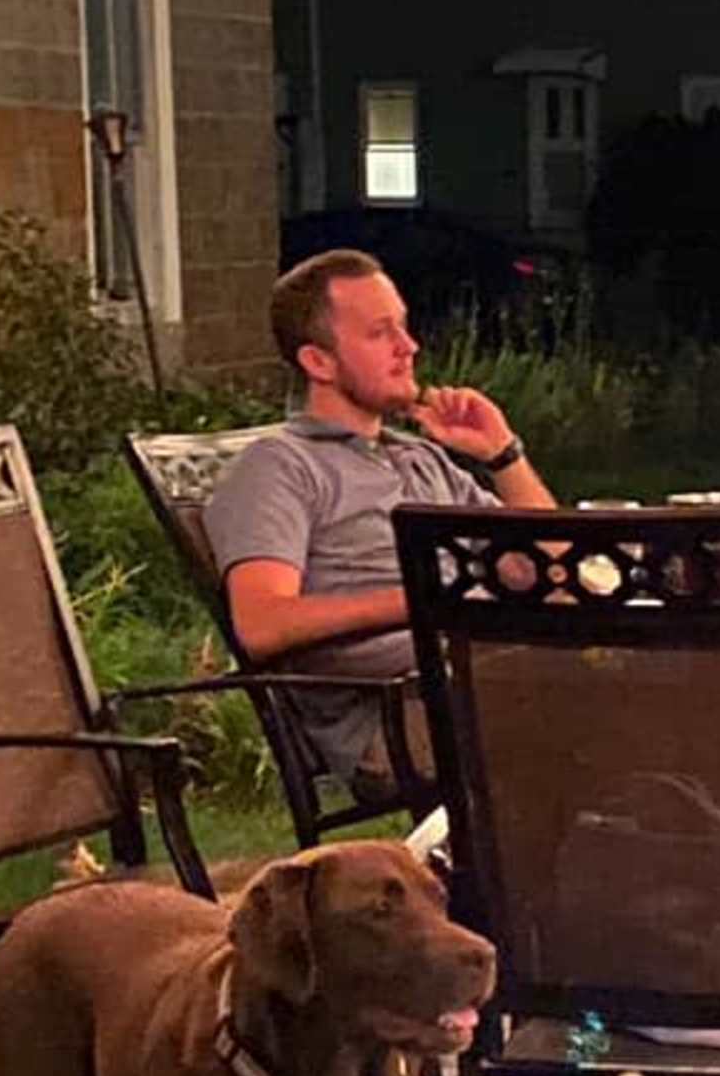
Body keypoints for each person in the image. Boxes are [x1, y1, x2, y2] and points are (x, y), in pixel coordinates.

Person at [206, 246, 562, 794]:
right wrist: (427, 599)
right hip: (402, 714)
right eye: (380, 333)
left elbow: (552, 563)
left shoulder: (421, 458)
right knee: (624, 714)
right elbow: (262, 623)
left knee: (673, 693)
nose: (409, 347)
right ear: (318, 362)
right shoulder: (280, 465)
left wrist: (502, 455)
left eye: (404, 327)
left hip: (488, 678)